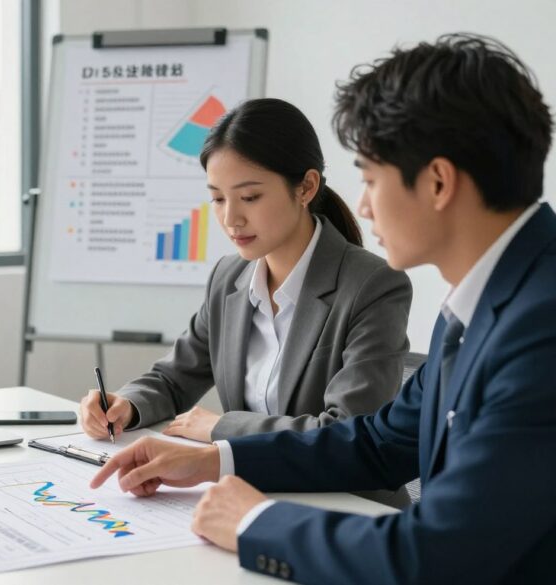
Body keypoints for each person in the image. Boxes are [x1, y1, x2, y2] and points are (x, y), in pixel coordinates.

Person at [91, 33, 556, 585]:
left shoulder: (540, 328)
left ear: (437, 182)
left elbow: (440, 553)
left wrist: (256, 521)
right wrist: (213, 461)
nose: (360, 203)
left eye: (370, 178)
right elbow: (381, 443)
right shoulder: (486, 302)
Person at [80, 98, 412, 445]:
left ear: (306, 187)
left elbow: (348, 432)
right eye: (219, 199)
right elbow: (173, 379)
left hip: (341, 496)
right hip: (247, 488)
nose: (230, 219)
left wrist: (222, 429)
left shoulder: (373, 286)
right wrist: (127, 405)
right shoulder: (229, 278)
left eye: (250, 197)